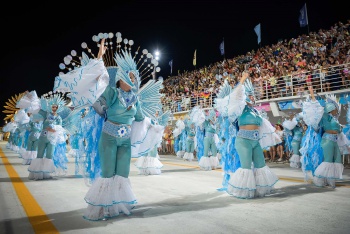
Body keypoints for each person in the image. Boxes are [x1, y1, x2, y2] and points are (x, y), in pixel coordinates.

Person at [54, 37, 163, 221]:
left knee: (122, 173)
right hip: (109, 137)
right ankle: (101, 209)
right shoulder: (111, 92)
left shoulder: (135, 99)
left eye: (134, 76)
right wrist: (99, 56)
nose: (133, 79)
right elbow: (99, 80)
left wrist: (155, 128)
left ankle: (118, 205)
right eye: (130, 76)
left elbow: (141, 119)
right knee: (107, 173)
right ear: (121, 79)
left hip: (125, 141)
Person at [215, 72, 279, 198]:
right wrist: (242, 79)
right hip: (243, 141)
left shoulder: (255, 111)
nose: (252, 97)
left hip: (255, 141)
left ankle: (260, 189)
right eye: (250, 95)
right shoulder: (240, 108)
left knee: (261, 165)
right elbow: (236, 95)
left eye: (253, 95)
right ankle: (244, 191)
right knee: (246, 167)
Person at [301, 87, 346, 188]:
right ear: (331, 109)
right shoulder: (325, 116)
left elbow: (339, 132)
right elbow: (315, 106)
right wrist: (312, 93)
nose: (337, 109)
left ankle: (330, 180)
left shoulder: (335, 119)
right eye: (335, 108)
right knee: (328, 161)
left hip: (334, 141)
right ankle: (319, 179)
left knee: (337, 161)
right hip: (327, 141)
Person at [19, 91, 66, 180]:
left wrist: (53, 129)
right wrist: (30, 96)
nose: (54, 108)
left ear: (58, 108)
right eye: (53, 106)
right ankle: (37, 174)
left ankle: (46, 174)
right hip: (42, 138)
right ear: (50, 107)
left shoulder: (59, 118)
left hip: (52, 139)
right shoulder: (46, 114)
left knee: (49, 155)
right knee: (39, 155)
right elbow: (37, 107)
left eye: (55, 107)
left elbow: (60, 128)